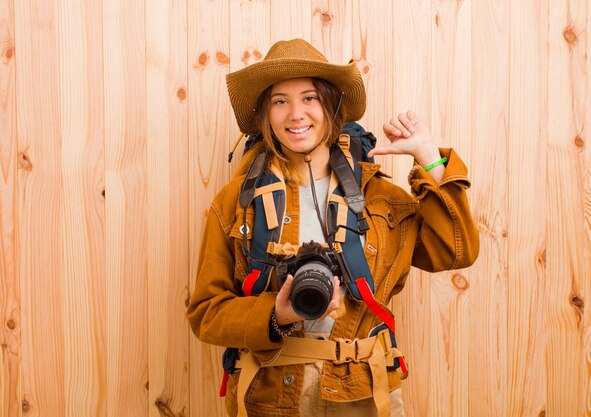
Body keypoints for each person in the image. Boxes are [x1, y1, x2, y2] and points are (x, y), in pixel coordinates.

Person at [187, 38, 479, 417]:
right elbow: (206, 314)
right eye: (280, 101)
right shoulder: (237, 204)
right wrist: (277, 315)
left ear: (330, 106)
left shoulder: (379, 197)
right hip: (269, 395)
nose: (296, 114)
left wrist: (427, 158)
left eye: (309, 98)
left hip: (363, 391)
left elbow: (455, 251)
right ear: (265, 115)